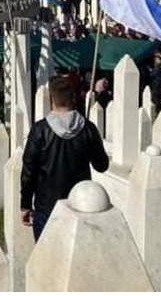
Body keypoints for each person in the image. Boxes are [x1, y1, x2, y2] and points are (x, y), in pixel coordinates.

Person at [20, 75, 109, 241]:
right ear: (73, 99)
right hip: (79, 204)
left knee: (46, 258)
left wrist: (25, 204)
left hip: (46, 207)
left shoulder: (40, 130)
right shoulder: (87, 128)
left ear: (52, 100)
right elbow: (102, 165)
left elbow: (28, 171)